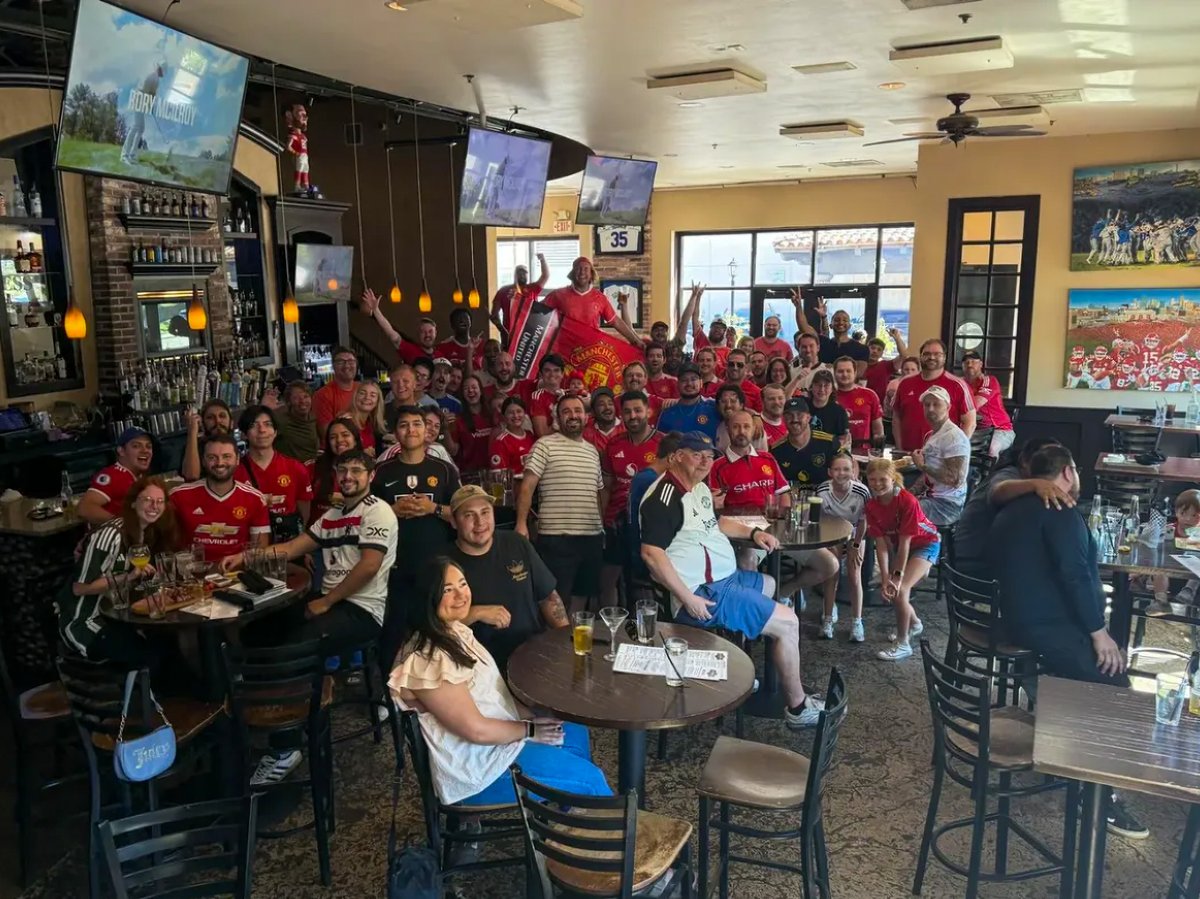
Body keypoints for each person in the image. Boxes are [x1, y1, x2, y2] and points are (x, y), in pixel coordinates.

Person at [988, 444, 1148, 839]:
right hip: (1045, 627)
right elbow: (1076, 577)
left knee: (1096, 668)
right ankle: (1099, 799)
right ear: (1068, 472)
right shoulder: (1060, 511)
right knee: (1115, 685)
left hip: (1018, 622)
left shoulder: (1012, 507)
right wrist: (1099, 635)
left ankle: (1060, 725)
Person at [224, 447, 397, 785]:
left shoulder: (378, 512)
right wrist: (244, 557)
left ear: (370, 476)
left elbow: (369, 566)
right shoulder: (332, 516)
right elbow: (292, 547)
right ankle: (265, 714)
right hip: (331, 601)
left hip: (362, 610)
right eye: (342, 470)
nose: (348, 477)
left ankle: (285, 747)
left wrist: (328, 600)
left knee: (296, 644)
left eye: (356, 471)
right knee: (260, 628)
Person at [388, 558, 611, 807]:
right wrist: (530, 729)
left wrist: (529, 717)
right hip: (480, 770)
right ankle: (612, 836)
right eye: (447, 590)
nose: (461, 595)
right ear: (426, 598)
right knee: (591, 781)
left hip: (495, 744)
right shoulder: (428, 660)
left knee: (574, 731)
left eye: (462, 584)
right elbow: (476, 730)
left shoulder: (454, 631)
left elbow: (490, 698)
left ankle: (560, 820)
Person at [639, 432, 825, 729]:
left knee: (770, 585)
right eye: (696, 454)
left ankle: (738, 671)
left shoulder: (698, 487)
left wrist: (753, 534)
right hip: (703, 592)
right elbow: (651, 554)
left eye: (710, 456)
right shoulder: (663, 498)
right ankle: (798, 708)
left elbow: (717, 523)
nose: (705, 461)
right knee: (789, 622)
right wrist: (688, 598)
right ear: (676, 457)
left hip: (725, 578)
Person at [59, 476, 178, 665]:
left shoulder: (147, 533)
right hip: (88, 623)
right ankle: (143, 693)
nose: (154, 506)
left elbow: (140, 586)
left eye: (159, 501)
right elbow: (80, 588)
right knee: (149, 657)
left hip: (121, 619)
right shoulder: (111, 534)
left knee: (170, 642)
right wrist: (129, 576)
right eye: (147, 500)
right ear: (132, 503)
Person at [449, 486, 569, 670]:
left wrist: (566, 642)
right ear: (454, 521)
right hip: (479, 666)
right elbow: (434, 625)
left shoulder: (516, 542)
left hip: (533, 654)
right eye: (468, 515)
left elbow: (549, 597)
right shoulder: (445, 564)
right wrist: (476, 613)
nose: (479, 522)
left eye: (485, 512)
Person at [516, 395, 604, 612]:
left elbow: (597, 494)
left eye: (578, 410)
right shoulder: (544, 445)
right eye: (566, 411)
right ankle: (556, 644)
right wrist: (521, 524)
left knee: (583, 595)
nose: (573, 415)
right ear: (557, 417)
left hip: (591, 537)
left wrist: (602, 528)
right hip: (557, 538)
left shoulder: (592, 452)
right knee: (556, 598)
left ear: (586, 417)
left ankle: (575, 640)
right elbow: (527, 487)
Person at [952, 437, 1071, 579]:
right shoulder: (1009, 474)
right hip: (973, 564)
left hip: (989, 561)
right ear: (1024, 461)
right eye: (1043, 459)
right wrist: (1036, 483)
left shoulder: (1034, 483)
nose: (1049, 465)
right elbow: (997, 491)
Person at [371, 406, 460, 583]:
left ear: (425, 430)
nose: (411, 430)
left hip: (438, 561)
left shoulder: (444, 469)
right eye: (404, 425)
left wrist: (433, 508)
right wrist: (392, 511)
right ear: (396, 433)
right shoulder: (380, 471)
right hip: (392, 564)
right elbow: (365, 517)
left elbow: (460, 515)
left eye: (417, 424)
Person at [864, 458, 940, 662]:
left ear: (893, 478)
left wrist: (896, 577)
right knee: (896, 589)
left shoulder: (907, 500)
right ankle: (914, 624)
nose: (877, 484)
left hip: (926, 544)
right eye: (872, 480)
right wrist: (885, 577)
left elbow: (905, 543)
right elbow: (881, 545)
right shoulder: (871, 506)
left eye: (883, 480)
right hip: (902, 547)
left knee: (901, 590)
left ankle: (903, 643)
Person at [598, 391, 660, 606]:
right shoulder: (613, 445)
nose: (632, 416)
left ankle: (647, 631)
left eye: (637, 410)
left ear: (648, 411)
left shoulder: (663, 443)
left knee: (645, 584)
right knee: (607, 581)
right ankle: (610, 630)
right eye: (627, 412)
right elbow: (606, 487)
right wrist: (602, 522)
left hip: (649, 525)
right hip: (615, 524)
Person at [170, 433, 270, 562]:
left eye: (226, 457)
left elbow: (259, 550)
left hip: (238, 574)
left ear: (237, 459)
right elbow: (165, 543)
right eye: (212, 457)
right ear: (203, 461)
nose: (220, 463)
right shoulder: (178, 496)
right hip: (193, 575)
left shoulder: (255, 499)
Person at [235, 406, 312, 541]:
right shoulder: (235, 471)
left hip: (287, 544)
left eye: (268, 424)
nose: (262, 430)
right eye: (254, 425)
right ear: (244, 433)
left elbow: (304, 514)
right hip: (248, 545)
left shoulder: (295, 468)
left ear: (275, 431)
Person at [817, 455, 870, 643]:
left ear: (853, 471)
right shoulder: (822, 491)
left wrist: (856, 544)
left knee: (855, 575)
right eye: (837, 469)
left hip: (856, 533)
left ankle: (857, 622)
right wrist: (830, 543)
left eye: (846, 469)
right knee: (832, 573)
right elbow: (821, 520)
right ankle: (828, 619)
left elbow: (864, 521)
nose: (842, 473)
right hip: (833, 533)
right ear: (830, 472)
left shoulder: (862, 492)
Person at [540, 257, 643, 349]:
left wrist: (635, 340)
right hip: (565, 349)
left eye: (586, 269)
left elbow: (615, 321)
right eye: (578, 269)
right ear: (572, 273)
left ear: (591, 275)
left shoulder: (600, 298)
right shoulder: (559, 295)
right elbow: (536, 309)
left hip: (591, 350)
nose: (582, 272)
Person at [891, 339, 975, 451]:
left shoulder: (958, 385)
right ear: (920, 357)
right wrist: (899, 449)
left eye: (937, 354)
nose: (932, 357)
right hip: (907, 456)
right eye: (926, 354)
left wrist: (956, 450)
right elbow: (896, 418)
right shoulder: (905, 383)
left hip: (941, 457)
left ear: (944, 357)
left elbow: (970, 423)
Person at [910, 386, 971, 527]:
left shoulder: (954, 437)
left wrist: (922, 466)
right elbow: (927, 477)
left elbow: (955, 479)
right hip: (931, 498)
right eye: (927, 405)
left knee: (897, 513)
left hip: (946, 506)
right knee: (890, 503)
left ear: (948, 407)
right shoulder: (932, 435)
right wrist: (909, 493)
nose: (931, 409)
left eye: (936, 404)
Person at [78, 427, 154, 526]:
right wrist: (122, 524)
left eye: (148, 446)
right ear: (121, 451)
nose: (145, 450)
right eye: (136, 446)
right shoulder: (112, 475)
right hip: (114, 539)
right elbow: (85, 509)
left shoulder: (139, 477)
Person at [1149, 489, 1200, 613]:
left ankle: (1188, 590)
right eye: (1183, 513)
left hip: (1194, 579)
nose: (1187, 518)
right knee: (1160, 562)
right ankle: (1161, 601)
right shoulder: (1169, 530)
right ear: (1176, 512)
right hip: (1170, 576)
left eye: (1194, 515)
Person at [792, 292, 869, 373]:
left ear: (849, 325)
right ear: (831, 325)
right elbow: (804, 327)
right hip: (821, 384)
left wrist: (833, 368)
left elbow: (859, 372)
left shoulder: (861, 349)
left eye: (845, 320)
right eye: (837, 320)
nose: (841, 322)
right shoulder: (823, 343)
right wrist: (798, 306)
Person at [771, 396, 836, 488]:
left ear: (808, 418)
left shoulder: (829, 442)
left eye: (800, 415)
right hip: (791, 500)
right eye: (789, 415)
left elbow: (849, 463)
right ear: (783, 419)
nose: (795, 419)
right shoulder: (776, 450)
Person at [360, 289, 437, 365]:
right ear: (418, 334)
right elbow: (393, 336)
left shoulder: (442, 352)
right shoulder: (411, 350)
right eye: (423, 332)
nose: (427, 335)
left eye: (430, 331)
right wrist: (376, 311)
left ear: (436, 333)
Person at [961, 350, 1016, 457]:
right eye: (966, 362)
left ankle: (989, 474)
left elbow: (975, 404)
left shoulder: (989, 380)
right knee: (950, 444)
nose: (969, 364)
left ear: (981, 364)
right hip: (975, 429)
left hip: (999, 430)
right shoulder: (960, 384)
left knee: (991, 448)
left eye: (973, 361)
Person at [307, 420, 362, 525]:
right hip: (317, 531)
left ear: (355, 440)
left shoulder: (366, 468)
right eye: (333, 437)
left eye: (345, 435)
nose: (339, 440)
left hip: (352, 530)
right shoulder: (313, 467)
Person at [492, 255, 548, 345]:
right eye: (519, 272)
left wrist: (542, 260)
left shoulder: (532, 288)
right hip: (509, 335)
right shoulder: (503, 291)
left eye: (524, 273)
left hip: (530, 334)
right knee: (508, 358)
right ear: (514, 275)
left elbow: (545, 276)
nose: (522, 275)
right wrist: (502, 330)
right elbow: (494, 314)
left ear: (527, 275)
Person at [834, 356, 884, 454]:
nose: (844, 374)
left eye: (848, 371)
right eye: (840, 371)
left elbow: (878, 430)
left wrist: (878, 452)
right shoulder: (829, 396)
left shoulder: (870, 395)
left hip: (864, 452)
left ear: (855, 373)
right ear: (834, 373)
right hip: (837, 452)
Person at [658, 364, 720, 440]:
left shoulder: (714, 407)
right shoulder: (667, 412)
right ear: (677, 384)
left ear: (701, 383)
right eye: (684, 380)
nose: (689, 384)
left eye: (693, 379)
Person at [679, 284, 730, 373]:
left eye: (721, 328)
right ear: (710, 329)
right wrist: (698, 297)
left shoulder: (728, 352)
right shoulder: (702, 341)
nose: (717, 330)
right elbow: (695, 318)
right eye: (715, 327)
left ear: (724, 332)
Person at [452, 375, 496, 476]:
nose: (470, 390)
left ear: (481, 391)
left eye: (474, 387)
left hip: (494, 473)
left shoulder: (493, 416)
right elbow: (453, 451)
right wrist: (445, 429)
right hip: (469, 475)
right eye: (466, 388)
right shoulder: (458, 420)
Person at [181, 399, 233, 482]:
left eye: (222, 416)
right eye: (210, 418)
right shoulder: (194, 446)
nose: (217, 421)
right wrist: (192, 431)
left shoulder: (236, 447)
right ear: (203, 423)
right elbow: (191, 476)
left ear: (231, 423)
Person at [312, 347, 360, 436]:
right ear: (333, 366)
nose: (346, 365)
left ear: (356, 365)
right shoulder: (322, 395)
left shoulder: (362, 390)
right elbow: (327, 434)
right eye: (341, 362)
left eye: (351, 361)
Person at [271, 381, 320, 463]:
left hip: (312, 468)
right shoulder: (280, 418)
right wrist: (264, 410)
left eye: (306, 396)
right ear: (288, 402)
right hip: (289, 471)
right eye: (296, 398)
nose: (302, 401)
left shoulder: (313, 417)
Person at [806, 369, 851, 450]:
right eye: (818, 385)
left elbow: (843, 439)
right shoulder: (803, 404)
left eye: (826, 385)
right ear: (811, 387)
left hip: (829, 452)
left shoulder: (839, 412)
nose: (822, 389)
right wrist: (797, 379)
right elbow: (785, 401)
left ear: (832, 389)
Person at [714, 384, 767, 453]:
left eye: (733, 401)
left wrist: (756, 416)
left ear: (741, 405)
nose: (728, 405)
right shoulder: (719, 428)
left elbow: (763, 459)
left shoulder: (755, 428)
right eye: (724, 401)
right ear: (718, 406)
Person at [863, 328, 909, 405]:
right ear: (867, 349)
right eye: (872, 348)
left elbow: (904, 356)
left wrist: (897, 338)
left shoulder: (885, 366)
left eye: (879, 350)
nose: (875, 351)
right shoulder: (859, 365)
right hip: (861, 403)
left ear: (882, 353)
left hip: (879, 406)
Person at [529, 354, 566, 438]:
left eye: (556, 370)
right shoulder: (537, 397)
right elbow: (542, 434)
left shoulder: (567, 396)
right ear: (541, 374)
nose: (552, 374)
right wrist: (557, 422)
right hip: (548, 447)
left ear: (562, 374)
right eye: (547, 370)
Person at [384, 364, 419, 432]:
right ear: (390, 385)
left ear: (415, 384)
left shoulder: (425, 413)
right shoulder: (380, 413)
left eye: (406, 381)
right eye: (395, 382)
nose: (400, 385)